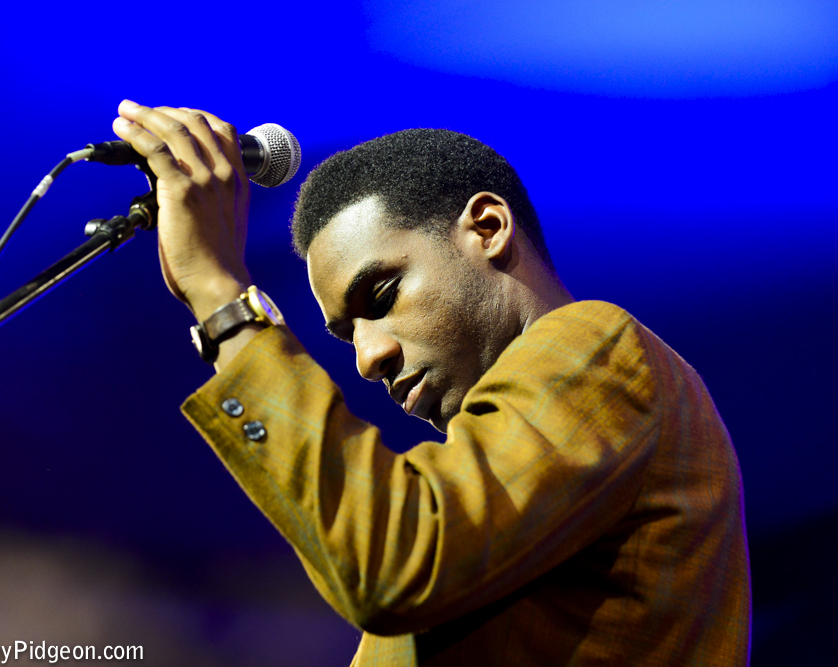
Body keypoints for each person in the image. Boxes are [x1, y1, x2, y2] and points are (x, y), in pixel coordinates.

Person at [111, 100, 751, 666]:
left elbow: (393, 563)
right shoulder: (503, 493)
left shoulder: (598, 343)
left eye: (381, 294)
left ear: (488, 229)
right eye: (347, 333)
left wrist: (222, 297)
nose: (368, 358)